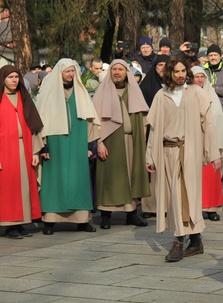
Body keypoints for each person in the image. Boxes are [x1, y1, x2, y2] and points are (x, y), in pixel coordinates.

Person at [145, 56, 221, 262]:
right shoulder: (161, 95)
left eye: (183, 71)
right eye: (176, 71)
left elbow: (209, 123)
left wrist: (213, 152)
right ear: (169, 73)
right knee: (174, 196)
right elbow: (154, 127)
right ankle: (194, 240)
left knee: (189, 194)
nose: (180, 75)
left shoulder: (195, 92)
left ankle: (180, 241)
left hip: (190, 149)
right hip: (169, 151)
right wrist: (150, 154)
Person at [36, 58, 101, 235]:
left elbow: (90, 120)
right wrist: (43, 146)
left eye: (73, 71)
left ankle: (82, 220)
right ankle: (50, 220)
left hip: (78, 142)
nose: (71, 74)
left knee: (78, 180)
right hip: (56, 144)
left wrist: (90, 144)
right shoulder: (48, 93)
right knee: (54, 180)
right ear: (60, 73)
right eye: (67, 71)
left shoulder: (81, 92)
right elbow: (40, 121)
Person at [92, 60, 150, 229]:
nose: (117, 72)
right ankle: (105, 216)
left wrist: (142, 141)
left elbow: (143, 118)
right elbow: (95, 120)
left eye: (120, 69)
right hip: (109, 140)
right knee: (108, 178)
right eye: (114, 69)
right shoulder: (102, 92)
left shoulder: (134, 91)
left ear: (127, 72)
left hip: (132, 141)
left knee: (131, 175)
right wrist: (99, 143)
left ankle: (131, 213)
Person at [0, 65, 44, 239]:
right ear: (3, 79)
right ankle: (10, 224)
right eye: (10, 77)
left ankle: (22, 221)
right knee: (8, 188)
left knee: (25, 187)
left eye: (16, 77)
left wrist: (35, 152)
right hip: (5, 151)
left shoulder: (23, 97)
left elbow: (34, 127)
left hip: (24, 147)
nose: (14, 80)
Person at [192, 66, 223, 224]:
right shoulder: (187, 95)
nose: (199, 79)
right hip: (194, 140)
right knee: (196, 176)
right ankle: (198, 207)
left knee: (212, 175)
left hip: (212, 141)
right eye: (196, 76)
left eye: (202, 76)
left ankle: (212, 208)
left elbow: (218, 120)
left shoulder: (212, 96)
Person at [139, 54, 170, 219]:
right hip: (151, 130)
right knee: (151, 170)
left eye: (166, 65)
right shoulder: (146, 86)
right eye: (160, 65)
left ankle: (167, 205)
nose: (162, 68)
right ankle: (150, 207)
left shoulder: (175, 85)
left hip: (171, 132)